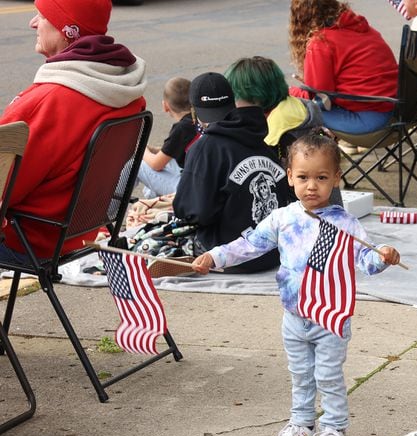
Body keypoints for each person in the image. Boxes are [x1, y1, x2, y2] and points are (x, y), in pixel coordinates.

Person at [191, 129, 401, 436]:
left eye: (321, 177)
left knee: (328, 376)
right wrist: (214, 257)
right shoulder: (283, 218)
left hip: (330, 317)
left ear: (336, 178)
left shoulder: (346, 225)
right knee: (300, 374)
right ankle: (302, 424)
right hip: (294, 316)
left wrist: (384, 256)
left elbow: (367, 260)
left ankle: (334, 429)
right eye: (303, 177)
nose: (312, 186)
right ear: (289, 177)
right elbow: (249, 245)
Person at [0, 0, 146, 264]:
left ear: (68, 30)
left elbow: (4, 188)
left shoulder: (51, 102)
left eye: (43, 16)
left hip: (29, 238)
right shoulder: (128, 95)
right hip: (80, 231)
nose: (32, 23)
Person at [172, 72, 288, 273]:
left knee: (156, 235)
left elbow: (193, 213)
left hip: (231, 256)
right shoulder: (258, 136)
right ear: (232, 103)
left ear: (194, 111)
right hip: (275, 251)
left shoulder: (205, 147)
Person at [287, 0, 399, 136]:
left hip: (370, 120)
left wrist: (290, 92)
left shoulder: (321, 42)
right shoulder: (363, 29)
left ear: (299, 19)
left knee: (289, 105)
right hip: (397, 110)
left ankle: (305, 154)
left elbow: (321, 99)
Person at [224, 56, 322, 162]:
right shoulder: (295, 106)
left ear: (255, 95)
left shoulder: (279, 129)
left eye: (236, 96)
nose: (233, 103)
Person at [137, 77, 198, 198]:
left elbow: (156, 164)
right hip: (195, 178)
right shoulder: (196, 120)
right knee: (154, 180)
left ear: (165, 106)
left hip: (187, 187)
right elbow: (172, 151)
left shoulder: (181, 129)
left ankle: (108, 209)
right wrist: (153, 150)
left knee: (136, 164)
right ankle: (156, 206)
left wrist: (140, 148)